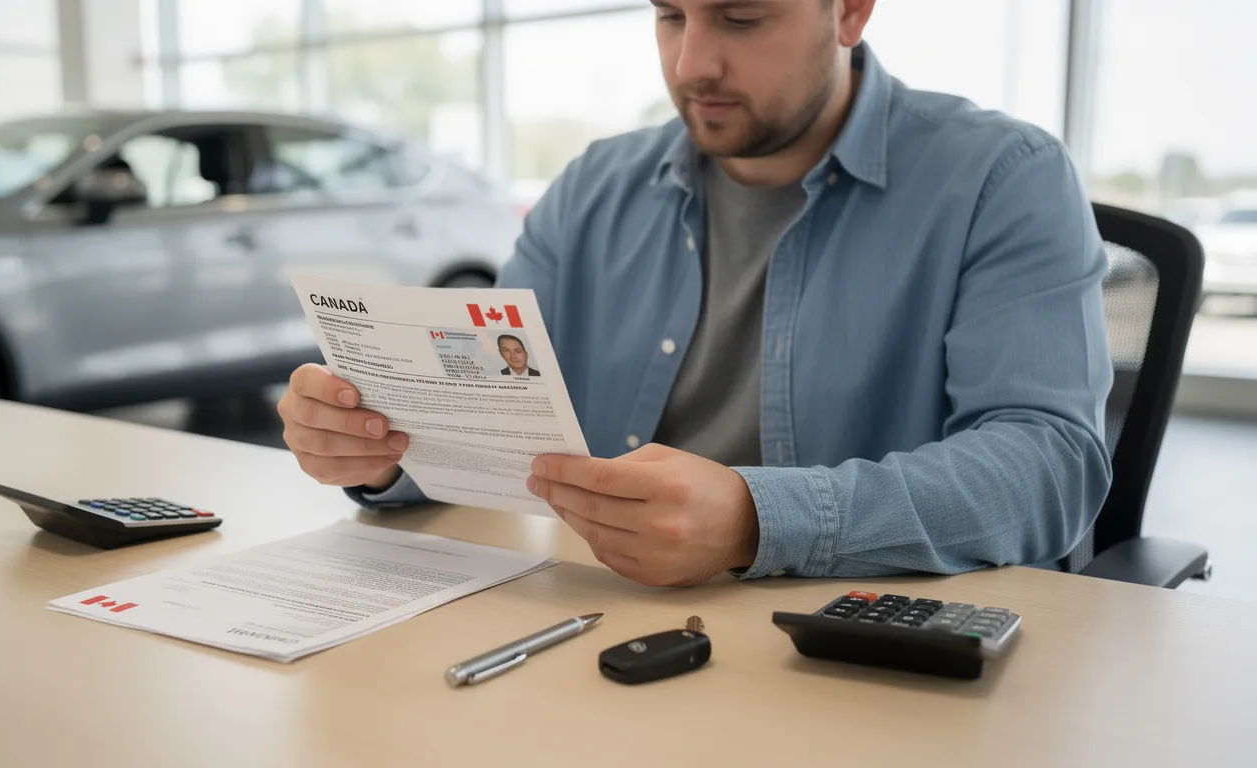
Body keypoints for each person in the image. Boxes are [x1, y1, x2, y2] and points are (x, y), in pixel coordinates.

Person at [276, 0, 1113, 589]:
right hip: (609, 621)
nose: (691, 64)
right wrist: (389, 451)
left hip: (860, 650)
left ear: (850, 11)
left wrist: (760, 519)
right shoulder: (593, 186)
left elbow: (1049, 464)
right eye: (670, 14)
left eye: (741, 18)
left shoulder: (1002, 178)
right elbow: (496, 425)